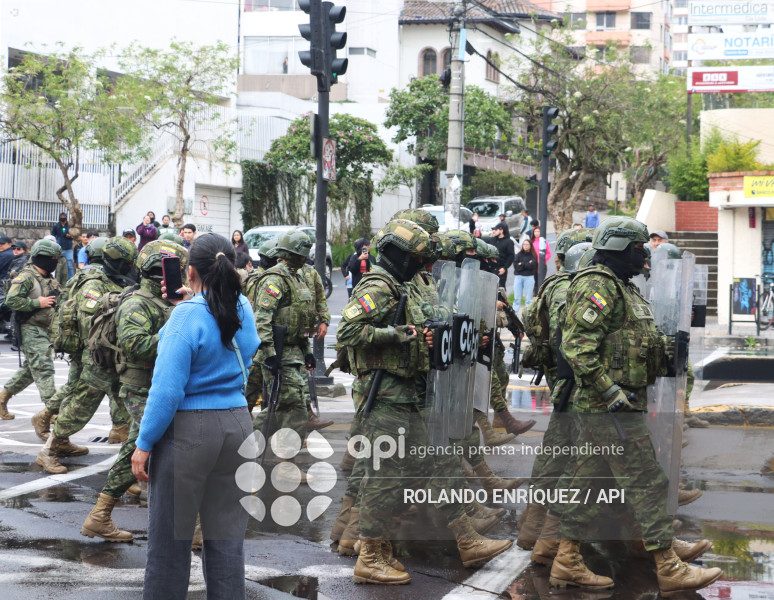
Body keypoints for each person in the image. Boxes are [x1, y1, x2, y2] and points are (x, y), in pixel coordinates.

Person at [550, 217, 722, 594]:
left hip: (617, 404)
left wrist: (666, 353)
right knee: (647, 481)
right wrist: (611, 393)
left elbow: (630, 344)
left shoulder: (623, 288)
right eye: (639, 248)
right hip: (608, 408)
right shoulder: (597, 285)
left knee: (587, 484)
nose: (645, 255)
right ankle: (667, 564)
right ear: (619, 249)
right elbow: (577, 348)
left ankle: (565, 558)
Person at [131, 233, 259, 599]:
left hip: (191, 430)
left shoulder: (185, 316)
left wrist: (143, 443)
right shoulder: (242, 306)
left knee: (170, 544)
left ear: (189, 272)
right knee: (226, 540)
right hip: (237, 424)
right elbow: (245, 347)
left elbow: (167, 391)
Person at [81, 240, 188, 543]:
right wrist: (179, 332)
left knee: (141, 445)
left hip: (162, 385)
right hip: (140, 386)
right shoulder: (137, 302)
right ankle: (101, 515)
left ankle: (101, 515)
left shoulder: (173, 300)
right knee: (147, 442)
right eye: (169, 270)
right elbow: (136, 344)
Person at [36, 237, 138, 474]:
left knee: (124, 409)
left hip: (115, 360)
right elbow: (89, 325)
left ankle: (128, 465)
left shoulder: (117, 281)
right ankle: (49, 451)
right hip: (97, 360)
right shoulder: (94, 284)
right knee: (80, 407)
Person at [252, 230, 317, 450]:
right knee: (294, 408)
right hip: (278, 353)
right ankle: (287, 462)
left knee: (279, 407)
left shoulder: (297, 277)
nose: (305, 258)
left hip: (294, 353)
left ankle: (248, 444)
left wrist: (307, 350)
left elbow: (299, 319)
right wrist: (269, 354)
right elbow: (262, 319)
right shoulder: (274, 279)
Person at [0, 239, 63, 420]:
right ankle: (51, 413)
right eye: (52, 258)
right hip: (30, 328)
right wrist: (37, 302)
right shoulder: (26, 277)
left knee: (30, 369)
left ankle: (2, 398)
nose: (54, 261)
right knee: (43, 367)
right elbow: (10, 300)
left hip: (46, 329)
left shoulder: (48, 278)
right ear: (43, 258)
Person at [512, 238, 537, 311]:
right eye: (524, 244)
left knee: (528, 299)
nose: (525, 246)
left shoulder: (533, 255)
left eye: (527, 244)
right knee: (517, 298)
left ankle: (527, 315)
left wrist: (521, 264)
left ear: (530, 246)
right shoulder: (519, 254)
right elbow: (516, 266)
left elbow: (532, 265)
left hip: (529, 277)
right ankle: (515, 315)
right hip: (518, 277)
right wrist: (526, 263)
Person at [487, 222, 514, 288]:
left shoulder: (509, 242)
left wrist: (505, 268)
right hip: (490, 268)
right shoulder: (492, 240)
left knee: (499, 289)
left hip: (500, 269)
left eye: (496, 230)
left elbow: (511, 256)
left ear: (501, 230)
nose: (494, 231)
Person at [51, 213, 74, 278]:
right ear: (59, 217)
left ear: (66, 217)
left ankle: (71, 280)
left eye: (64, 216)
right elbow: (53, 236)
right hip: (59, 248)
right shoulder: (56, 226)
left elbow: (75, 235)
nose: (63, 218)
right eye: (61, 216)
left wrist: (70, 236)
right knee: (57, 265)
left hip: (68, 248)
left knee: (70, 266)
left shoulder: (70, 226)